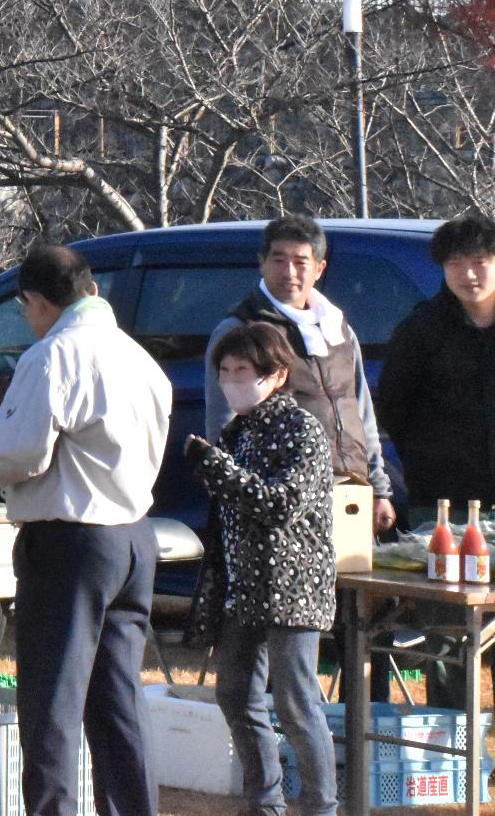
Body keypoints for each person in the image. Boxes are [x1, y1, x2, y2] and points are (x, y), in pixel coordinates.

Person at [0, 242, 169, 816]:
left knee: (53, 703)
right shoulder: (140, 358)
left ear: (33, 301)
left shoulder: (53, 354)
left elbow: (21, 455)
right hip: (134, 536)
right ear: (90, 288)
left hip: (71, 539)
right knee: (118, 702)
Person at [187, 322, 338, 816]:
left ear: (276, 374)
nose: (232, 381)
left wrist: (217, 468)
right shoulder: (239, 431)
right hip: (245, 587)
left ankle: (319, 807)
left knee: (297, 705)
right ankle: (263, 803)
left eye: (243, 371)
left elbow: (281, 504)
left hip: (294, 589)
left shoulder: (302, 429)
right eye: (225, 372)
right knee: (234, 693)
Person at [205, 214, 396, 536]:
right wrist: (236, 492)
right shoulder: (242, 329)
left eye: (300, 261)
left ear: (319, 268)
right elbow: (223, 425)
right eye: (279, 260)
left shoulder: (338, 328)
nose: (289, 272)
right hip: (282, 498)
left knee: (348, 584)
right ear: (261, 262)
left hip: (349, 488)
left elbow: (360, 411)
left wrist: (379, 488)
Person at [374, 212, 495, 710]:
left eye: (481, 261)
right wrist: (433, 454)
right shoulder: (421, 329)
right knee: (446, 629)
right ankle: (453, 738)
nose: (469, 273)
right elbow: (394, 408)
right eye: (457, 263)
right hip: (442, 503)